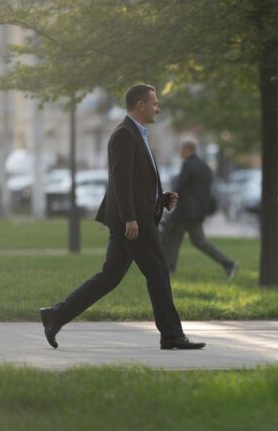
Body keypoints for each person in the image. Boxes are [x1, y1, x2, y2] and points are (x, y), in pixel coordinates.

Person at [38, 84, 205, 350]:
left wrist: (160, 200)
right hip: (133, 223)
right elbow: (120, 180)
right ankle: (172, 335)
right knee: (158, 273)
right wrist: (129, 217)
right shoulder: (125, 134)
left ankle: (55, 315)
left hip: (134, 219)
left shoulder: (136, 133)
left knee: (110, 277)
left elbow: (136, 184)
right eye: (154, 103)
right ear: (141, 105)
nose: (158, 108)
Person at [161, 140, 238, 280]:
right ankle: (228, 263)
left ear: (188, 149)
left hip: (185, 211)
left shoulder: (188, 165)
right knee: (199, 241)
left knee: (172, 238)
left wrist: (169, 201)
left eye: (181, 150)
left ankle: (167, 270)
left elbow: (179, 187)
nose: (180, 152)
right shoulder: (205, 167)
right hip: (198, 211)